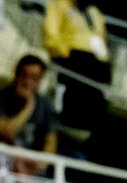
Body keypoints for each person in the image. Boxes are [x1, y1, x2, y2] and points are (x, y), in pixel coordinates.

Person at [0, 54, 59, 174]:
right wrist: (29, 106)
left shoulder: (45, 105)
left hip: (29, 167)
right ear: (15, 74)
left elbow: (51, 141)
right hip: (0, 163)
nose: (27, 82)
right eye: (24, 75)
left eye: (34, 78)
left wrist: (40, 163)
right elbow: (7, 131)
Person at [43, 0, 111, 132]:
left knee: (96, 97)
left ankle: (91, 127)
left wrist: (104, 59)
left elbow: (101, 37)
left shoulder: (94, 12)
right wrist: (63, 53)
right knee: (74, 99)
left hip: (96, 60)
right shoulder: (60, 4)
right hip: (72, 56)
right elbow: (51, 34)